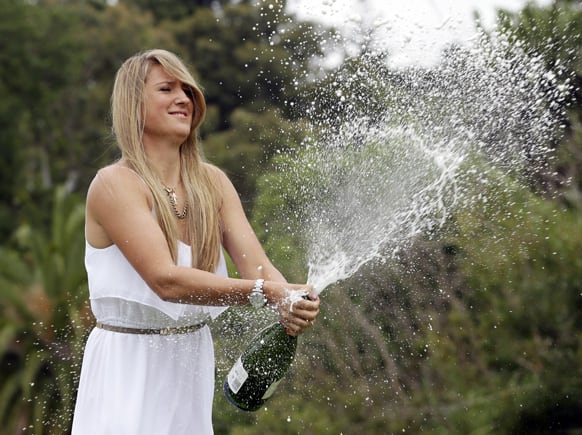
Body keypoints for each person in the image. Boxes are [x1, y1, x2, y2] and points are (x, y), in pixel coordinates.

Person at [71, 49, 320, 435]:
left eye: (187, 90)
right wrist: (266, 292)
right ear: (133, 104)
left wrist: (290, 300)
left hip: (190, 360)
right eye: (166, 88)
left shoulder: (213, 184)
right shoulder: (114, 184)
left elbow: (258, 267)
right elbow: (166, 281)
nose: (183, 99)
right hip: (126, 364)